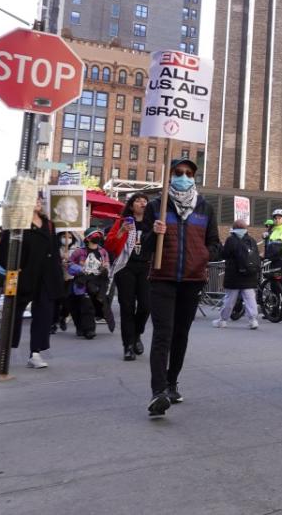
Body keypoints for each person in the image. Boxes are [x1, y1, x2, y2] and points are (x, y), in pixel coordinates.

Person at [144, 158, 221, 417]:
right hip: (162, 279)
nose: (184, 177)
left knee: (180, 335)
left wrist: (201, 255)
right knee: (162, 335)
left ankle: (171, 382)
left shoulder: (205, 208)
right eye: (179, 173)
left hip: (192, 280)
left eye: (189, 173)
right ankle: (158, 392)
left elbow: (215, 245)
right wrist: (153, 233)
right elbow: (142, 249)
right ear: (170, 175)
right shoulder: (156, 206)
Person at [0, 192, 66, 369]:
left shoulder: (49, 224)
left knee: (43, 314)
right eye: (34, 199)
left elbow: (54, 251)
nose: (38, 202)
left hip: (47, 276)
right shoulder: (17, 223)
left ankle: (35, 353)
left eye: (40, 200)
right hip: (24, 274)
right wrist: (13, 267)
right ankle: (6, 347)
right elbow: (4, 250)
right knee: (15, 311)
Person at [105, 192, 153, 361]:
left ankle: (137, 333)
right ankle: (128, 345)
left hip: (146, 267)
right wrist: (121, 232)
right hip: (126, 266)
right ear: (132, 205)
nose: (142, 203)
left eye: (145, 200)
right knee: (127, 307)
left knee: (146, 305)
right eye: (138, 201)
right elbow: (109, 244)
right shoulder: (122, 221)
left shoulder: (151, 223)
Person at [213, 219, 260, 329]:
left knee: (230, 299)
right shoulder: (251, 240)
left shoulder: (231, 240)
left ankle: (223, 320)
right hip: (249, 275)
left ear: (233, 228)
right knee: (250, 299)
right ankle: (253, 320)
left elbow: (224, 254)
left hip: (234, 275)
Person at [66, 228, 110, 340]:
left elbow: (107, 265)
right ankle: (89, 330)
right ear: (88, 238)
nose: (98, 237)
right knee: (86, 306)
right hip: (82, 284)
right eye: (95, 235)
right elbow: (69, 265)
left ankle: (84, 327)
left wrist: (105, 268)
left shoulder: (103, 252)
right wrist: (80, 269)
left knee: (96, 306)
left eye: (99, 235)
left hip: (97, 284)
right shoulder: (79, 252)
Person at [53, 231, 82, 333]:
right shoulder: (55, 248)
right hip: (58, 278)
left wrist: (69, 261)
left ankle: (63, 316)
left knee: (67, 301)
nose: (67, 238)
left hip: (70, 278)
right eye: (64, 236)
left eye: (69, 237)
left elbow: (79, 263)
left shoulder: (76, 249)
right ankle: (53, 323)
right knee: (56, 301)